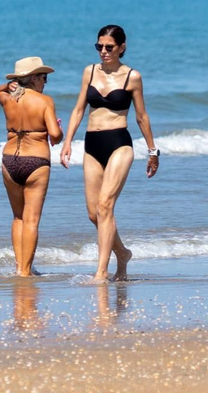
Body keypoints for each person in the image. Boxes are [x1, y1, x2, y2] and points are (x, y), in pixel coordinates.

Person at [60, 25, 160, 282]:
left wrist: (153, 151)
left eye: (109, 47)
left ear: (122, 47)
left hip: (119, 143)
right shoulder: (90, 71)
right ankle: (123, 254)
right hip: (92, 144)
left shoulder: (132, 77)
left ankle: (101, 271)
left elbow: (141, 116)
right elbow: (79, 109)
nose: (103, 51)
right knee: (94, 213)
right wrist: (68, 142)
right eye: (99, 46)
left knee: (105, 205)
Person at [0, 57, 63, 276]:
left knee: (18, 218)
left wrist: (9, 85)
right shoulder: (45, 101)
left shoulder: (7, 99)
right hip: (36, 161)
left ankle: (19, 267)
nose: (45, 82)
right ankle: (26, 272)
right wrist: (58, 131)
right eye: (43, 78)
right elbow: (55, 135)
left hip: (10, 160)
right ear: (34, 78)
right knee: (31, 220)